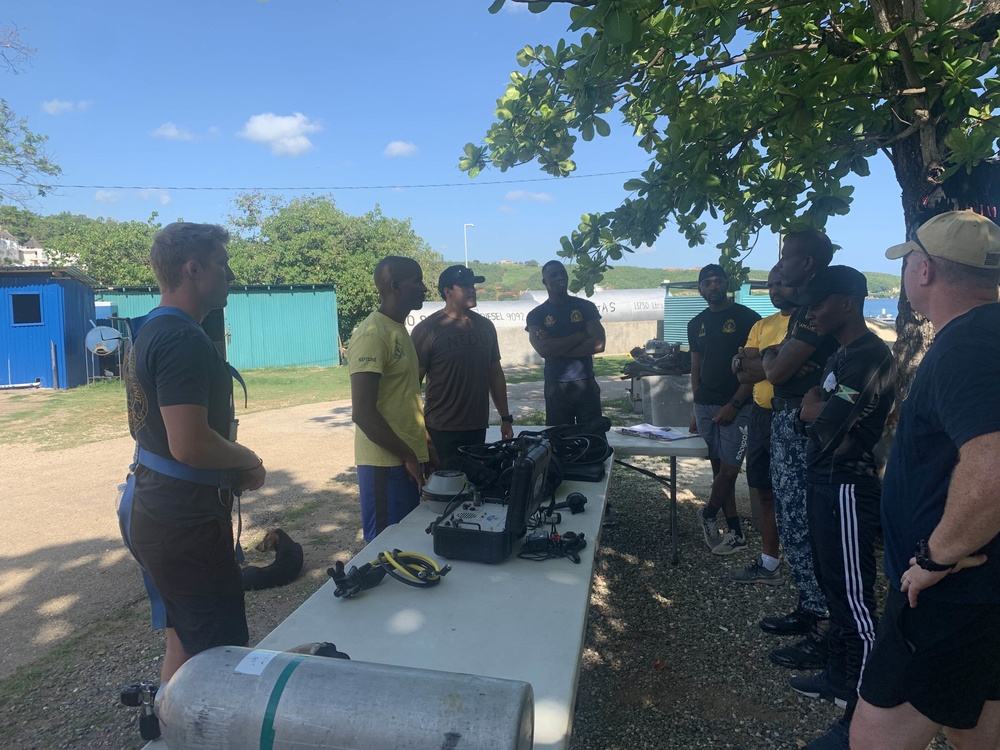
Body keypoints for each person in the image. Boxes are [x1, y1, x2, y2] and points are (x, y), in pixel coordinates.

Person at [850, 211, 1000, 750]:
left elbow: (994, 468)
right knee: (974, 721)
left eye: (909, 259)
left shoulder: (967, 345)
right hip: (979, 587)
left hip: (949, 591)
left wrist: (938, 556)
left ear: (926, 271)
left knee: (875, 734)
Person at [121, 222, 266, 683]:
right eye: (222, 265)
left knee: (186, 640)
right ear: (193, 268)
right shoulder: (182, 339)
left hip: (160, 508)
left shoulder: (152, 329)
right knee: (217, 658)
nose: (230, 275)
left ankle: (168, 725)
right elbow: (189, 443)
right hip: (183, 524)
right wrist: (248, 460)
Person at [784, 266, 895, 750]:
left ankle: (862, 716)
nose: (810, 312)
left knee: (855, 603)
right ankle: (838, 677)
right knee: (834, 592)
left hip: (848, 486)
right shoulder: (842, 356)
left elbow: (825, 424)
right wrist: (812, 410)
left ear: (848, 302)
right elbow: (807, 419)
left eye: (819, 302)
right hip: (824, 482)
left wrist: (814, 407)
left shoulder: (869, 356)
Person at [759, 230, 837, 659]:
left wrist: (774, 359)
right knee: (792, 520)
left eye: (787, 258)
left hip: (802, 424)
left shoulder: (816, 307)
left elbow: (776, 370)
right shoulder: (803, 310)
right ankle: (809, 607)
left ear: (806, 264)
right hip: (787, 417)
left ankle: (825, 626)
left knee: (805, 522)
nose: (781, 266)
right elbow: (777, 361)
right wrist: (776, 357)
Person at [348, 256, 430, 542]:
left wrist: (424, 446)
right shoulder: (372, 334)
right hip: (384, 465)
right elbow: (363, 413)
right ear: (396, 286)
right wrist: (407, 454)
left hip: (404, 459)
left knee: (407, 544)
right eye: (417, 281)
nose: (424, 288)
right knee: (385, 549)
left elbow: (404, 400)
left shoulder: (399, 330)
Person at [686, 264, 760, 554]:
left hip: (738, 406)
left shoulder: (748, 319)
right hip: (705, 405)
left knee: (729, 470)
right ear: (700, 288)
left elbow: (756, 370)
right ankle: (735, 533)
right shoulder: (696, 323)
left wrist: (735, 404)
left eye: (718, 281)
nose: (713, 286)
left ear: (726, 284)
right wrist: (696, 406)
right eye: (707, 283)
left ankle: (707, 514)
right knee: (718, 469)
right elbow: (696, 367)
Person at [728, 266, 795, 583]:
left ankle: (805, 565)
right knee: (764, 491)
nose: (775, 290)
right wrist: (775, 360)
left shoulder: (809, 322)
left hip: (792, 418)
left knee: (796, 494)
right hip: (760, 415)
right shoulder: (762, 324)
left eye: (780, 283)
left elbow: (783, 370)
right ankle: (770, 563)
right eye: (770, 285)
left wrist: (763, 363)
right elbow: (743, 370)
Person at [411, 265, 514, 467]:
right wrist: (420, 430)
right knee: (445, 491)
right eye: (465, 285)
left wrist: (505, 418)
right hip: (441, 429)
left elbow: (495, 374)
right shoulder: (427, 330)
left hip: (477, 427)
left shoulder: (486, 327)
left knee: (475, 488)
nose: (472, 289)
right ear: (447, 291)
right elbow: (412, 384)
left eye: (473, 285)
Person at [525, 260, 606, 425]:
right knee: (559, 441)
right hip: (555, 386)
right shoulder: (536, 315)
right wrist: (579, 336)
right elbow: (543, 350)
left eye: (563, 273)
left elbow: (598, 345)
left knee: (592, 440)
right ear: (544, 282)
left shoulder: (586, 307)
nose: (560, 277)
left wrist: (555, 346)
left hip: (585, 383)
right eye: (553, 275)